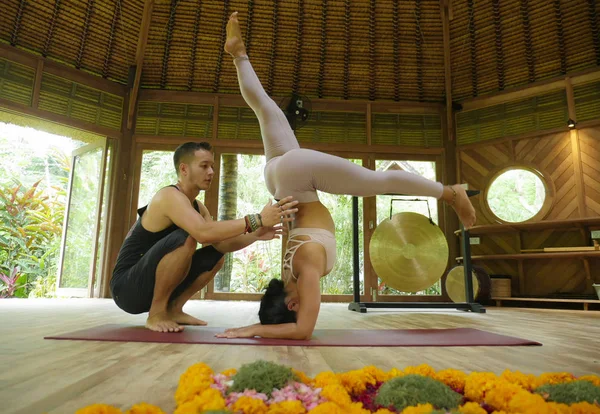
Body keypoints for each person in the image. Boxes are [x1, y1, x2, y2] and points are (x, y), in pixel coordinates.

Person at [216, 12, 476, 340]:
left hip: (296, 177)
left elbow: (304, 330)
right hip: (277, 178)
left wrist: (255, 330)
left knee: (379, 182)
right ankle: (238, 54)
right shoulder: (288, 273)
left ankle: (451, 193)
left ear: (292, 304)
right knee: (266, 109)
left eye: (299, 304)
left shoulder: (306, 269)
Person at [110, 141, 298, 333]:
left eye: (212, 167)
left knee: (215, 255)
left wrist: (256, 235)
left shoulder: (198, 207)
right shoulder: (168, 196)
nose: (211, 172)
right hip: (126, 289)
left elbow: (221, 244)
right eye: (204, 166)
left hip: (149, 284)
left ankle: (174, 309)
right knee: (185, 237)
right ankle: (157, 314)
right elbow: (202, 233)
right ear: (184, 169)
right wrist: (257, 219)